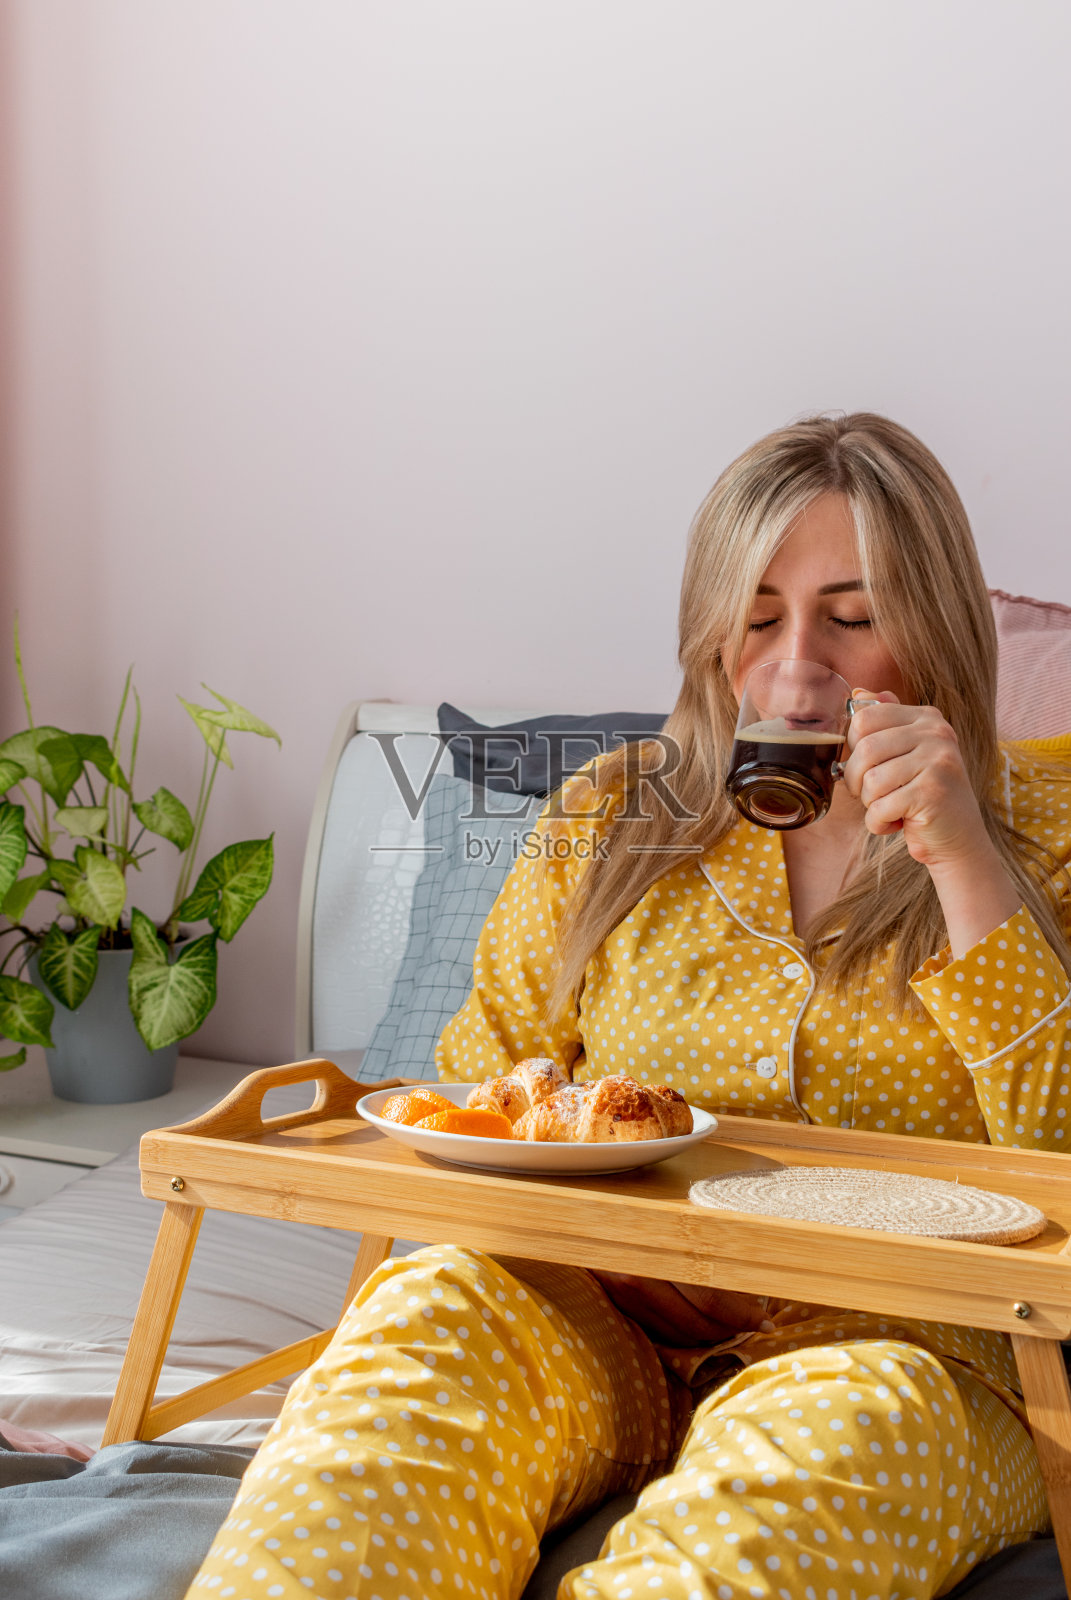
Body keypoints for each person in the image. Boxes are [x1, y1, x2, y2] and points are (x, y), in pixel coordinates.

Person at [186, 413, 1071, 1600]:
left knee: (821, 1462)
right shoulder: (608, 820)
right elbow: (478, 1103)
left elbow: (1058, 1156)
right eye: (756, 617)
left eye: (854, 618)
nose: (796, 664)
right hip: (594, 1319)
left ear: (943, 626)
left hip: (915, 1349)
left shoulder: (1045, 839)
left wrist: (967, 864)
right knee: (419, 1328)